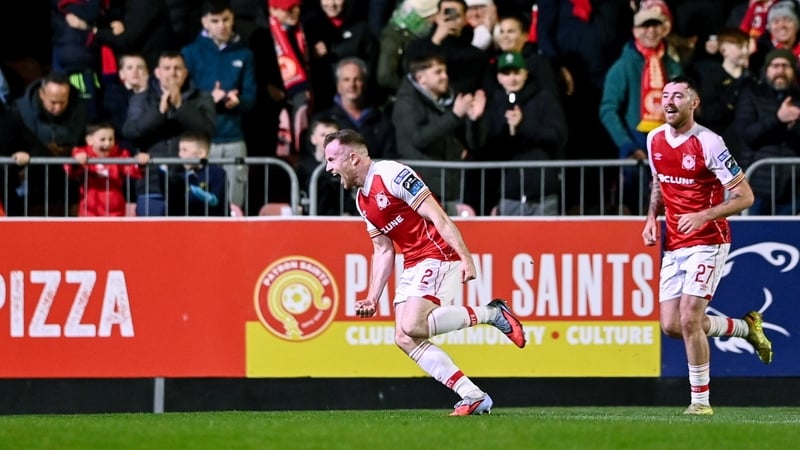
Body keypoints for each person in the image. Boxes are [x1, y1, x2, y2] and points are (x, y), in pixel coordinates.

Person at [323, 129, 526, 416]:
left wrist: (466, 257)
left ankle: (492, 314)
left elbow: (438, 216)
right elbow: (383, 250)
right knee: (404, 337)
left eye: (332, 159)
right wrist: (372, 297)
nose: (328, 168)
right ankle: (473, 395)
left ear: (353, 158)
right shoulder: (361, 200)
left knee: (413, 325)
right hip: (414, 262)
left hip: (439, 252)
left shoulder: (392, 174)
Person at [641, 75, 773, 416]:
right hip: (674, 242)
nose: (669, 101)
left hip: (708, 240)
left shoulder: (709, 142)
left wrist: (704, 215)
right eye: (665, 95)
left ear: (694, 103)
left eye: (678, 96)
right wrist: (651, 218)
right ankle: (745, 327)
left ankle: (700, 402)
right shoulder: (654, 139)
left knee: (689, 318)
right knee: (671, 325)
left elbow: (745, 196)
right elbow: (659, 183)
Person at [599, 2, 683, 214]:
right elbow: (608, 110)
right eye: (645, 26)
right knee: (635, 206)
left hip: (669, 143)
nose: (651, 31)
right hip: (636, 143)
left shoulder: (672, 64)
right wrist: (627, 145)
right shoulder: (623, 66)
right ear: (635, 31)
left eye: (655, 25)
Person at [182, 0, 257, 210]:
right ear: (204, 22)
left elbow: (251, 98)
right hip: (201, 143)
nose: (221, 25)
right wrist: (209, 98)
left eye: (226, 19)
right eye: (215, 21)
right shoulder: (190, 53)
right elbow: (182, 101)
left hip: (233, 139)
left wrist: (238, 101)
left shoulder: (245, 54)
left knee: (233, 207)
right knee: (201, 207)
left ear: (233, 19)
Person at [122, 50, 216, 216]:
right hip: (152, 183)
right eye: (166, 68)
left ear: (185, 72)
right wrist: (159, 112)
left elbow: (208, 130)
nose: (172, 73)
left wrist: (180, 105)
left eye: (177, 68)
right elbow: (131, 131)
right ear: (157, 73)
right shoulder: (142, 98)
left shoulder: (202, 97)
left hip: (190, 184)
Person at [392, 52, 486, 215]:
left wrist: (474, 119)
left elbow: (473, 144)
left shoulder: (450, 100)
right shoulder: (406, 103)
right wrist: (454, 116)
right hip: (421, 192)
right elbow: (418, 138)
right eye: (438, 72)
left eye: (445, 71)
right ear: (421, 78)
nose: (445, 77)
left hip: (450, 188)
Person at [480, 51, 567, 215]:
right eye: (506, 73)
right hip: (508, 195)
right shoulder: (493, 104)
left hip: (543, 195)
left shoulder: (544, 99)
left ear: (526, 73)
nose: (512, 79)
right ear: (498, 77)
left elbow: (557, 136)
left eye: (516, 72)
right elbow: (487, 146)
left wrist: (523, 126)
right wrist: (474, 121)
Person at [14, 71, 89, 216]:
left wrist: (76, 151)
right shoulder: (20, 109)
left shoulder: (80, 110)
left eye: (63, 102)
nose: (58, 107)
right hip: (31, 181)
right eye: (53, 102)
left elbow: (84, 140)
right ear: (42, 94)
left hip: (67, 181)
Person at [735, 48, 800, 215]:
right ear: (766, 70)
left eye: (786, 66)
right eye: (775, 66)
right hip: (757, 185)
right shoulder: (751, 94)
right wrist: (778, 118)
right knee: (754, 230)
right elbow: (746, 134)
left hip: (793, 186)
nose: (780, 71)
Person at [315, 57, 396, 159]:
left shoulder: (381, 121)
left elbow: (390, 157)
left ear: (364, 84)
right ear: (338, 86)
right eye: (346, 79)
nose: (352, 85)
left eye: (357, 79)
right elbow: (311, 159)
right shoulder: (323, 120)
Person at [64, 122, 144, 217]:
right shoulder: (82, 153)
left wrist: (140, 162)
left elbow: (132, 170)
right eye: (103, 139)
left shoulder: (120, 155)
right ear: (89, 140)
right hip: (89, 212)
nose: (108, 143)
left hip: (115, 212)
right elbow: (71, 171)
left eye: (111, 139)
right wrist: (77, 161)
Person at [167, 131, 227, 216]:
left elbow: (215, 201)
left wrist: (195, 189)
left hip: (211, 221)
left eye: (184, 150)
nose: (180, 154)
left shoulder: (217, 173)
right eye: (179, 150)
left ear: (201, 153)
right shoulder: (178, 173)